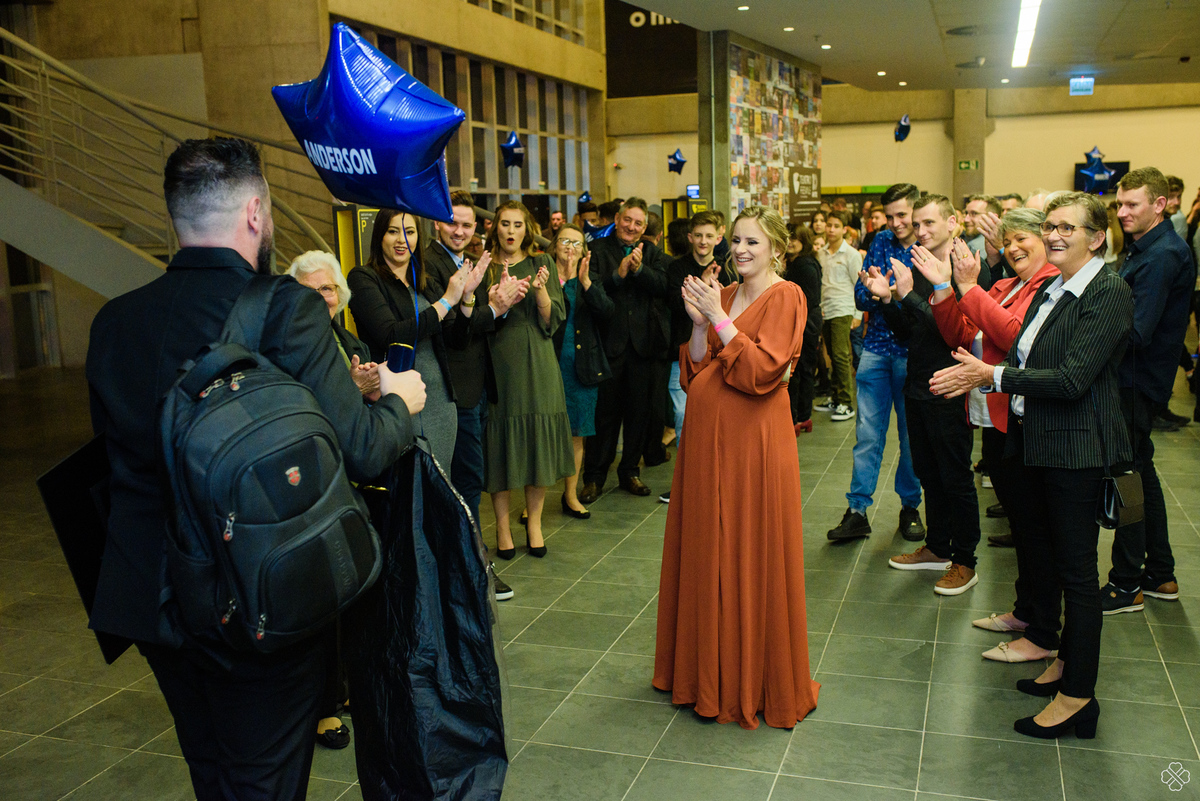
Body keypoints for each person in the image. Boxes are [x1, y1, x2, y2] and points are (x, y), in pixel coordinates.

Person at [85, 137, 424, 799]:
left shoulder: (113, 321)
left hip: (149, 596)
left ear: (176, 217)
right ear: (255, 213)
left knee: (211, 766)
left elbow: (120, 455)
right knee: (265, 778)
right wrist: (400, 404)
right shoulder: (285, 309)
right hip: (252, 594)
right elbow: (360, 446)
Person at [931, 190, 1133, 740]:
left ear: (1097, 237)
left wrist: (990, 376)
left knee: (1078, 576)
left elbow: (1071, 379)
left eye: (1068, 227)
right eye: (1051, 226)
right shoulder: (1056, 289)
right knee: (1055, 561)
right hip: (1040, 441)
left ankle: (1078, 697)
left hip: (1076, 451)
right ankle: (1065, 663)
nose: (1055, 235)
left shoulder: (1107, 292)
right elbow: (1024, 348)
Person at [654, 205, 820, 730]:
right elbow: (696, 368)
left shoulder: (787, 296)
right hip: (706, 444)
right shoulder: (722, 294)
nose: (741, 250)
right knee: (708, 548)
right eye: (738, 241)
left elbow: (764, 370)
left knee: (749, 547)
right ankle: (705, 672)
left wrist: (720, 322)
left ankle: (749, 678)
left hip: (755, 445)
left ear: (776, 247)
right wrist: (699, 323)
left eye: (753, 242)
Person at [927, 210, 1061, 658]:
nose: (1013, 248)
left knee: (1035, 527)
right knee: (1021, 524)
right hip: (994, 417)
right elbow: (960, 334)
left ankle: (1042, 629)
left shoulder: (1050, 286)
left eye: (1022, 238)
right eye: (1008, 241)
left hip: (1026, 419)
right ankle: (1025, 611)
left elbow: (1018, 339)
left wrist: (968, 288)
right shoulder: (1006, 286)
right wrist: (944, 288)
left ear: (1044, 239)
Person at [860, 194, 987, 595]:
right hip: (918, 384)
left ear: (952, 222)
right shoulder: (919, 264)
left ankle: (965, 560)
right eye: (917, 224)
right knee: (929, 474)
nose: (921, 230)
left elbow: (955, 333)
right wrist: (887, 299)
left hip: (950, 387)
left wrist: (909, 296)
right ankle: (937, 547)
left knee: (955, 477)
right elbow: (909, 332)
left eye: (929, 222)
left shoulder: (966, 267)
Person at [1102, 168, 1196, 613]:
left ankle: (1126, 583)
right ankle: (1160, 573)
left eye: (1131, 204)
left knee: (1128, 481)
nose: (1122, 212)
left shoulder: (1161, 255)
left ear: (1159, 205)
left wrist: (1089, 331)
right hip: (1137, 380)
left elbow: (1137, 331)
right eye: (1119, 204)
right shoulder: (1148, 248)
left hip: (1135, 382)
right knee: (1141, 475)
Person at [422, 190, 522, 603]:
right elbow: (450, 331)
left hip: (477, 387)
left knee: (470, 481)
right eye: (452, 223)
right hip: (453, 389)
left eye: (466, 224)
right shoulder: (429, 265)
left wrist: (499, 306)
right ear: (436, 223)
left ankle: (469, 566)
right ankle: (474, 570)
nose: (459, 231)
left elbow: (477, 327)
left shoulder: (469, 261)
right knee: (464, 482)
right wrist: (492, 310)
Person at [827, 183, 925, 543]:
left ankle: (910, 507)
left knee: (910, 438)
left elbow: (926, 304)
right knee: (867, 434)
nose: (896, 223)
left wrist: (891, 294)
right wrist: (877, 292)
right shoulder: (880, 241)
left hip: (913, 355)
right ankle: (857, 511)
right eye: (889, 216)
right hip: (876, 350)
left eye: (902, 215)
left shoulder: (926, 244)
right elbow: (860, 295)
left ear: (916, 211)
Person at [347, 210, 479, 470]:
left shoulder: (425, 282)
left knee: (440, 485)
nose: (402, 240)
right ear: (379, 236)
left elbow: (457, 340)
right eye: (393, 231)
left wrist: (466, 299)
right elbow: (391, 335)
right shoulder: (363, 278)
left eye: (409, 232)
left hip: (440, 402)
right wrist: (446, 301)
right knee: (408, 487)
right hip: (397, 405)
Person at [484, 200, 574, 558]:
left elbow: (553, 320)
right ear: (495, 227)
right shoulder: (485, 267)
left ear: (528, 230)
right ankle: (503, 527)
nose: (510, 231)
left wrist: (539, 291)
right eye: (505, 224)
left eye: (517, 224)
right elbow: (475, 321)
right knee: (501, 445)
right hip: (499, 362)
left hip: (538, 360)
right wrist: (496, 302)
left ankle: (534, 523)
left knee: (537, 443)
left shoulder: (542, 263)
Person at [579, 198, 672, 501]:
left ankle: (630, 471)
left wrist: (640, 269)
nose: (631, 227)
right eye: (627, 220)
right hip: (608, 346)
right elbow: (591, 290)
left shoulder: (654, 254)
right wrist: (618, 276)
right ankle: (594, 477)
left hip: (643, 349)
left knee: (638, 415)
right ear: (617, 219)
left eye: (638, 223)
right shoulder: (596, 251)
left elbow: (663, 287)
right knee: (604, 417)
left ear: (644, 228)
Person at [550, 223, 613, 518]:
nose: (570, 248)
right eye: (565, 241)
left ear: (585, 251)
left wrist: (586, 283)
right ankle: (533, 501)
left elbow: (608, 313)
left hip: (582, 367)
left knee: (577, 435)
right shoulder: (544, 276)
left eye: (577, 243)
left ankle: (570, 495)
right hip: (548, 364)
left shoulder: (591, 279)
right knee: (542, 434)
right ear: (554, 245)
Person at [815, 210, 861, 422]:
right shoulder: (821, 253)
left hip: (844, 308)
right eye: (829, 225)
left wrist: (858, 314)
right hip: (826, 309)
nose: (831, 229)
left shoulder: (851, 254)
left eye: (836, 226)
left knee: (841, 356)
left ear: (844, 229)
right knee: (833, 354)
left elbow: (859, 285)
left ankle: (845, 402)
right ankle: (835, 398)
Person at [785, 225, 822, 434]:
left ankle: (796, 418)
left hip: (803, 320)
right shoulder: (808, 261)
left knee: (798, 370)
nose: (790, 242)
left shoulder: (802, 265)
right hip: (809, 319)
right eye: (787, 238)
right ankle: (804, 417)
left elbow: (805, 299)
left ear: (804, 240)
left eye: (795, 238)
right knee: (805, 369)